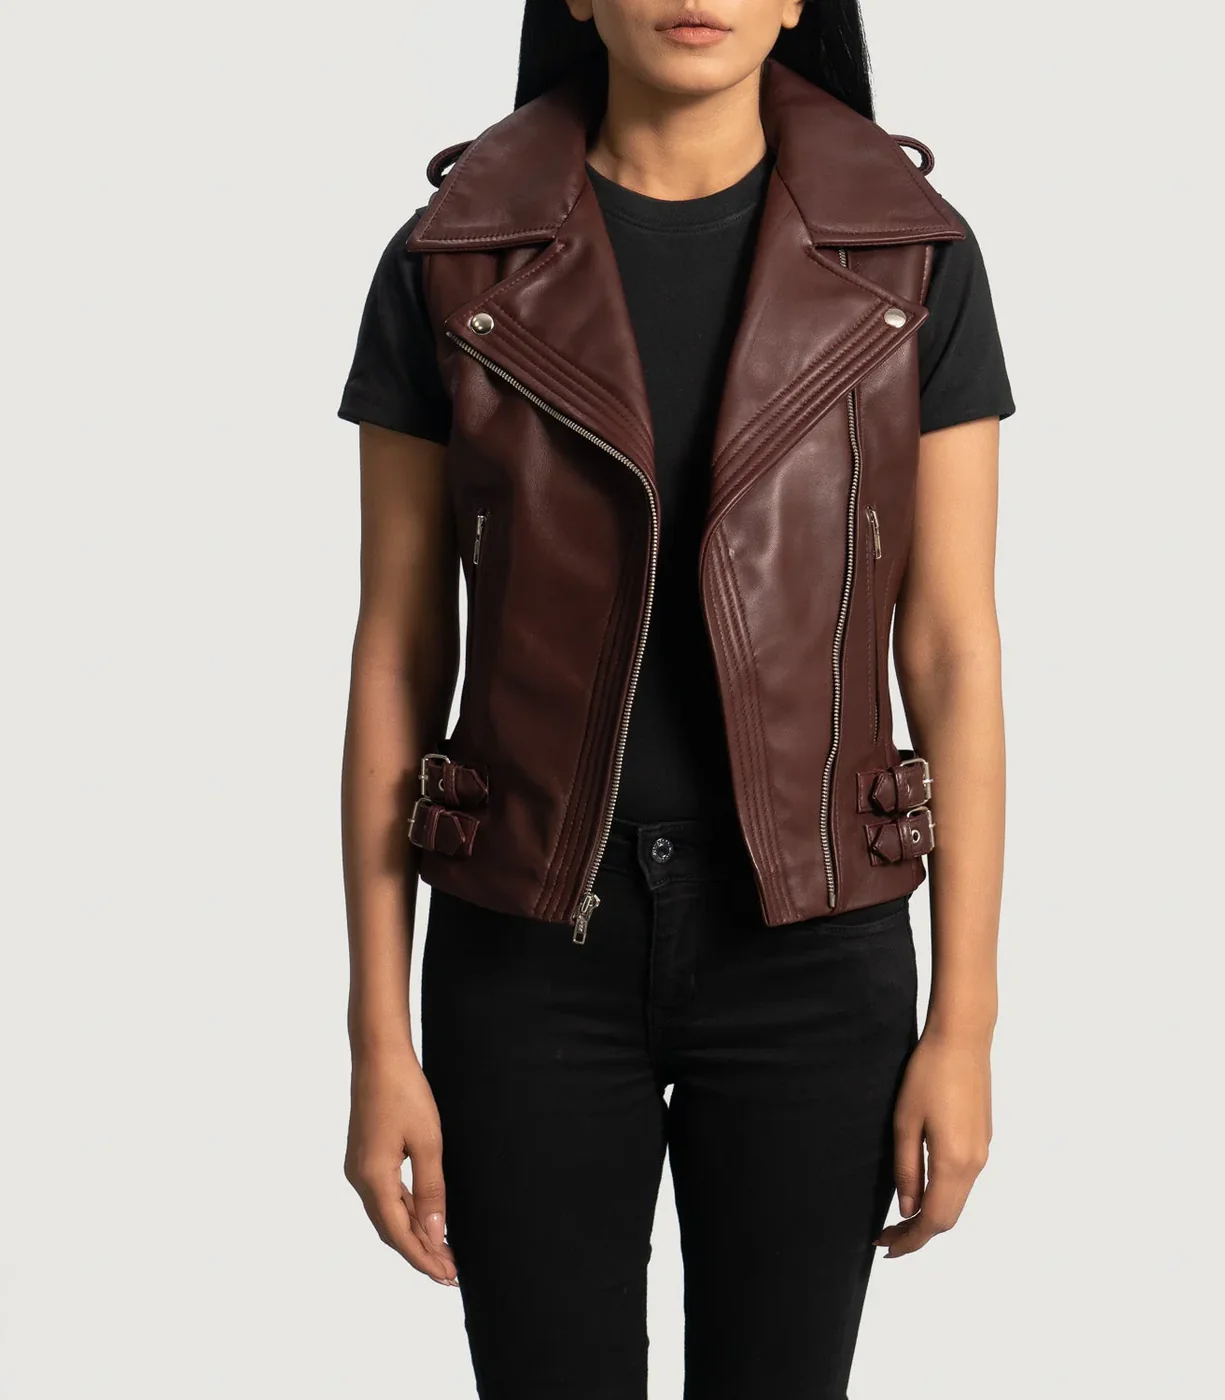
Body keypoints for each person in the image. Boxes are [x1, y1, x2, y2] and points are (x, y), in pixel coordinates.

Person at [336, 2, 1013, 1395]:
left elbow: (950, 647)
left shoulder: (910, 256)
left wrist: (965, 1027)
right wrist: (378, 1042)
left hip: (815, 946)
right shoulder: (452, 258)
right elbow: (400, 651)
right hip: (526, 947)